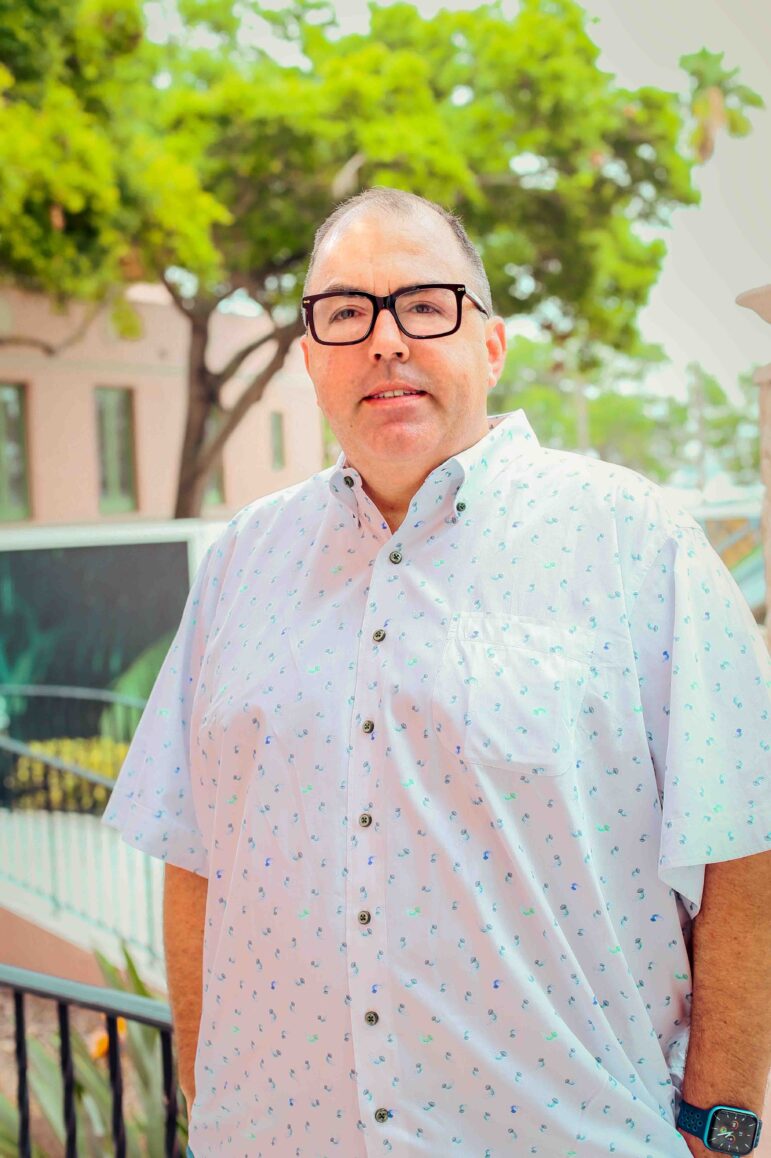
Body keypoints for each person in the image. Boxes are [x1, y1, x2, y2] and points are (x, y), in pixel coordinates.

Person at [103, 187, 771, 1158]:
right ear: (308, 357)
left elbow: (744, 843)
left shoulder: (637, 545)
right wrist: (214, 1117)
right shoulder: (240, 565)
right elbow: (193, 853)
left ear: (490, 344)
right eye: (346, 312)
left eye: (426, 304)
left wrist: (721, 1126)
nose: (385, 340)